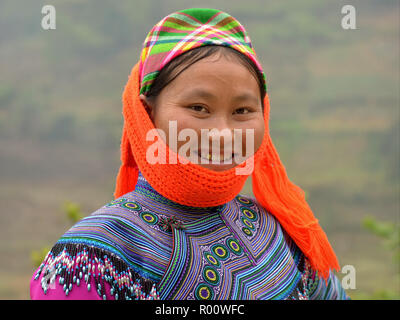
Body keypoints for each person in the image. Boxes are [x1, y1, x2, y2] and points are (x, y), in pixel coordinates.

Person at [30, 8, 350, 300]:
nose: (223, 133)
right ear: (147, 111)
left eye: (242, 110)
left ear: (263, 114)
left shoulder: (278, 230)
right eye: (199, 108)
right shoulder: (94, 256)